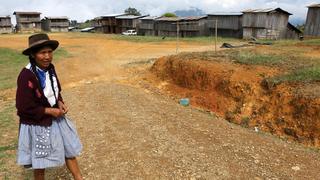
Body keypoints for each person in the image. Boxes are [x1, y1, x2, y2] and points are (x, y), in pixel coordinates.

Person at [16, 33, 83, 180]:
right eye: (42, 53)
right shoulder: (26, 76)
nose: (47, 56)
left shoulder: (50, 69)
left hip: (56, 118)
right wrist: (49, 110)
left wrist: (59, 101)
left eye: (49, 52)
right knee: (40, 162)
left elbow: (55, 90)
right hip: (37, 123)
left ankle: (79, 178)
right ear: (33, 55)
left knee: (69, 150)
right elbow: (23, 108)